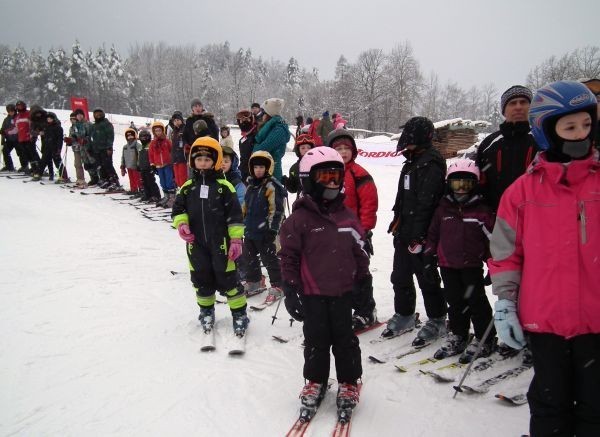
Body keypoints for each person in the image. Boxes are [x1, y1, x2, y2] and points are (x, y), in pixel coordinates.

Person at [489, 80, 600, 437]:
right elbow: (506, 254)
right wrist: (505, 302)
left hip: (596, 321)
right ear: (547, 130)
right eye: (569, 127)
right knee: (550, 404)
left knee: (595, 405)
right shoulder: (521, 193)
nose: (580, 134)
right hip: (545, 320)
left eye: (586, 124)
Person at [279, 146, 370, 416]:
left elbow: (360, 250)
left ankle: (349, 381)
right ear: (308, 180)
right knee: (316, 339)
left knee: (344, 339)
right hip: (312, 292)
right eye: (324, 177)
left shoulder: (346, 217)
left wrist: (363, 282)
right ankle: (316, 381)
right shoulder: (299, 220)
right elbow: (289, 257)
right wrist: (291, 288)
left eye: (335, 177)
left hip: (342, 292)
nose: (332, 183)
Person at [171, 136, 248, 337]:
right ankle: (206, 311)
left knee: (229, 279)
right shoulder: (187, 187)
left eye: (207, 159)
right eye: (199, 159)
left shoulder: (225, 188)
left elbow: (235, 216)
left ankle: (239, 313)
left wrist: (236, 239)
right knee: (201, 279)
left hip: (221, 244)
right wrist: (181, 223)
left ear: (215, 160)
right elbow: (178, 208)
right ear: (192, 161)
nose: (203, 163)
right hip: (196, 245)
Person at [424, 159, 496, 363]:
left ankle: (485, 337)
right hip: (447, 265)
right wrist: (429, 257)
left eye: (467, 184)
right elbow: (433, 235)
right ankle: (459, 334)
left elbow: (493, 240)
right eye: (457, 184)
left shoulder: (481, 211)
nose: (462, 189)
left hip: (471, 266)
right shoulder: (443, 209)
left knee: (477, 303)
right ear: (449, 185)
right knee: (454, 302)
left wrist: (494, 265)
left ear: (475, 185)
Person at [387, 116, 447, 345]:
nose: (406, 145)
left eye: (410, 140)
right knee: (400, 276)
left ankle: (438, 318)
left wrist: (420, 236)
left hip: (423, 234)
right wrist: (397, 222)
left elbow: (426, 204)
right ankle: (405, 314)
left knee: (427, 278)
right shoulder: (411, 162)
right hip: (404, 231)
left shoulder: (431, 162)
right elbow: (403, 198)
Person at [327, 129, 379, 331]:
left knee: (358, 274)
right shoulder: (327, 173)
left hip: (356, 234)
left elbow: (369, 204)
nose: (343, 152)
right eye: (338, 148)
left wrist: (364, 230)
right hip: (333, 233)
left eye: (346, 148)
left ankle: (365, 311)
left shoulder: (359, 174)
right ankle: (342, 308)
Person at [476, 85, 537, 212]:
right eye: (512, 103)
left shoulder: (542, 140)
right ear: (504, 111)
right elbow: (480, 181)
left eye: (523, 102)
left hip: (536, 215)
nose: (518, 107)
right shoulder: (489, 144)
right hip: (497, 216)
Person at [242, 151, 286, 302]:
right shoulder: (250, 186)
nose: (258, 170)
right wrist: (241, 222)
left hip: (265, 232)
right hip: (250, 231)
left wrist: (272, 229)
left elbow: (276, 209)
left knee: (270, 259)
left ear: (268, 168)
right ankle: (254, 281)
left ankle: (278, 284)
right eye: (255, 167)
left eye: (261, 167)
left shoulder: (271, 186)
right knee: (249, 258)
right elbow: (245, 207)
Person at [253, 98, 290, 181]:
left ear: (269, 114)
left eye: (263, 112)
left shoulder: (279, 130)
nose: (261, 115)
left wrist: (255, 145)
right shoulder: (270, 127)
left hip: (273, 173)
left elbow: (259, 150)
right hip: (264, 169)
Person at [89, 108, 119, 190]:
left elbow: (110, 136)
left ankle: (114, 181)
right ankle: (105, 180)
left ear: (103, 114)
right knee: (100, 166)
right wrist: (90, 148)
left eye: (100, 114)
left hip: (105, 148)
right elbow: (91, 138)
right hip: (96, 149)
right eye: (96, 114)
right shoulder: (93, 126)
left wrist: (109, 147)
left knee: (108, 165)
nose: (98, 115)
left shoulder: (106, 124)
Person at [148, 121, 176, 208]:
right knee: (162, 181)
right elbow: (151, 154)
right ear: (154, 132)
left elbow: (172, 151)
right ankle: (166, 196)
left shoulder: (167, 141)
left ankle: (172, 197)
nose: (158, 132)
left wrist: (172, 161)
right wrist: (152, 164)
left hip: (167, 164)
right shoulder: (153, 143)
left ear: (162, 131)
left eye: (159, 130)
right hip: (158, 165)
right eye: (156, 131)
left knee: (169, 181)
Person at [38, 112, 69, 183]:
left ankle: (64, 176)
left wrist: (59, 148)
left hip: (55, 147)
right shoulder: (46, 127)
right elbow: (44, 138)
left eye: (50, 119)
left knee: (58, 162)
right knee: (43, 161)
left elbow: (59, 139)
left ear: (53, 119)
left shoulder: (58, 127)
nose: (49, 120)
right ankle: (39, 174)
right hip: (47, 147)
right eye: (48, 119)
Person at [69, 109, 95, 187]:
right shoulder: (75, 125)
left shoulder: (88, 124)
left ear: (83, 115)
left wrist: (85, 140)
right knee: (82, 164)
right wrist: (70, 140)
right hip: (79, 147)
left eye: (81, 114)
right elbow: (73, 135)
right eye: (77, 115)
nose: (79, 116)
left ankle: (97, 178)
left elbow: (92, 136)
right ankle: (86, 179)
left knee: (91, 162)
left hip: (87, 147)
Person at [14, 100, 38, 176]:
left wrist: (32, 135)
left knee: (32, 154)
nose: (19, 107)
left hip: (29, 138)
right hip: (21, 138)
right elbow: (16, 128)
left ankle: (38, 169)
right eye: (18, 106)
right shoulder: (17, 116)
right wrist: (6, 132)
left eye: (20, 106)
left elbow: (32, 126)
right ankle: (33, 169)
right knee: (27, 155)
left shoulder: (28, 114)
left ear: (24, 106)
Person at [137, 129, 161, 203]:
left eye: (145, 137)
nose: (144, 139)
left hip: (149, 166)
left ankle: (156, 195)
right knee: (144, 181)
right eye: (142, 137)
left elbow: (153, 155)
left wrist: (153, 164)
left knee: (151, 181)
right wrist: (138, 165)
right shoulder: (141, 147)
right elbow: (139, 157)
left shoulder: (150, 145)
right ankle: (147, 194)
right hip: (142, 167)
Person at [236, 109, 257, 184]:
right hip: (243, 175)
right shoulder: (242, 140)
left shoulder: (257, 136)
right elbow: (243, 159)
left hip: (255, 175)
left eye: (246, 119)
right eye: (241, 120)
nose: (244, 121)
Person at [120, 128, 142, 195]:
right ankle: (133, 189)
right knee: (131, 179)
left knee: (137, 179)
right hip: (128, 166)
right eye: (128, 136)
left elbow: (140, 155)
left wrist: (139, 164)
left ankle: (140, 189)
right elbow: (123, 157)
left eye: (131, 136)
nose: (130, 137)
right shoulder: (125, 147)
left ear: (134, 136)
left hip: (135, 166)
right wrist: (122, 165)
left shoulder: (137, 145)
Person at [169, 112, 188, 188]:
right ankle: (180, 193)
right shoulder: (174, 131)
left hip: (182, 158)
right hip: (175, 158)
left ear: (181, 120)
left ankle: (184, 195)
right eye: (175, 121)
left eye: (178, 120)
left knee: (183, 178)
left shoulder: (185, 129)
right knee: (177, 179)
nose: (176, 122)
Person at [1, 103, 18, 172]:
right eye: (9, 111)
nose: (10, 112)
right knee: (5, 151)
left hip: (18, 139)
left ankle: (24, 167)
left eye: (12, 111)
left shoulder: (18, 117)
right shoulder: (6, 119)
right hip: (9, 139)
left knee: (21, 153)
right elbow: (3, 129)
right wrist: (3, 139)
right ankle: (9, 166)